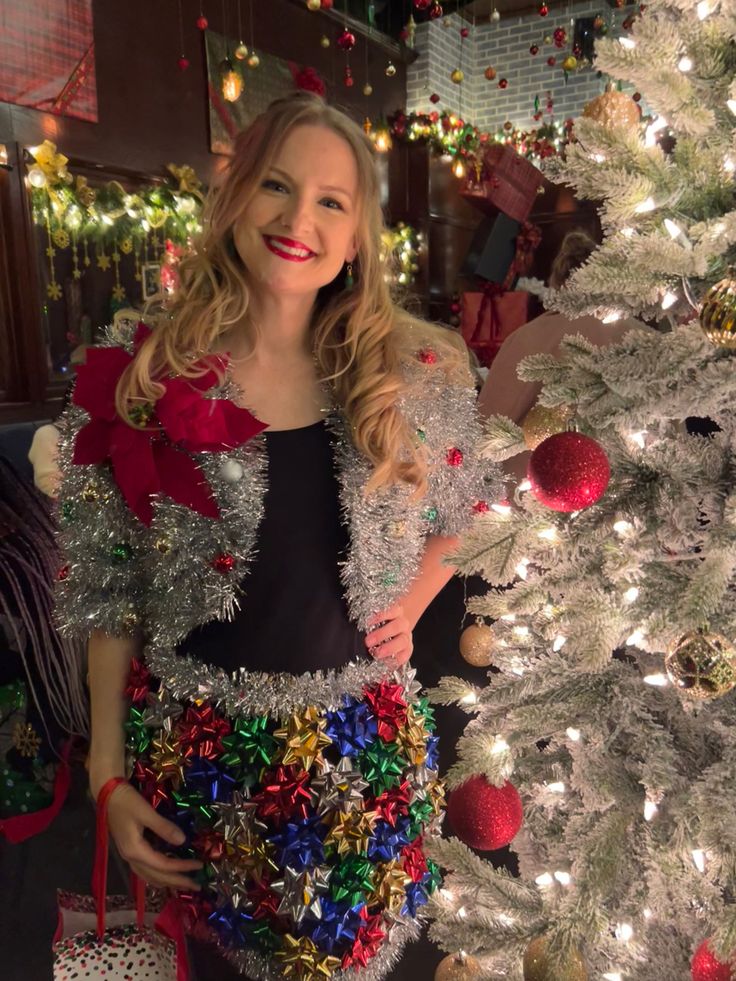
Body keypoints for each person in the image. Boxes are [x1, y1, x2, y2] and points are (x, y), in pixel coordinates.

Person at [53, 93, 494, 980]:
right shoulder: (140, 367)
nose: (299, 220)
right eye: (277, 187)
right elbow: (107, 588)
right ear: (236, 197)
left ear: (360, 232)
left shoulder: (413, 372)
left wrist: (409, 605)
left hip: (361, 771)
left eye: (332, 200)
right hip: (198, 767)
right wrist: (107, 771)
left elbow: (470, 512)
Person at [478, 228, 642, 480]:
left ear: (558, 283)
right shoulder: (642, 337)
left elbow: (490, 423)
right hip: (630, 480)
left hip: (540, 487)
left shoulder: (530, 337)